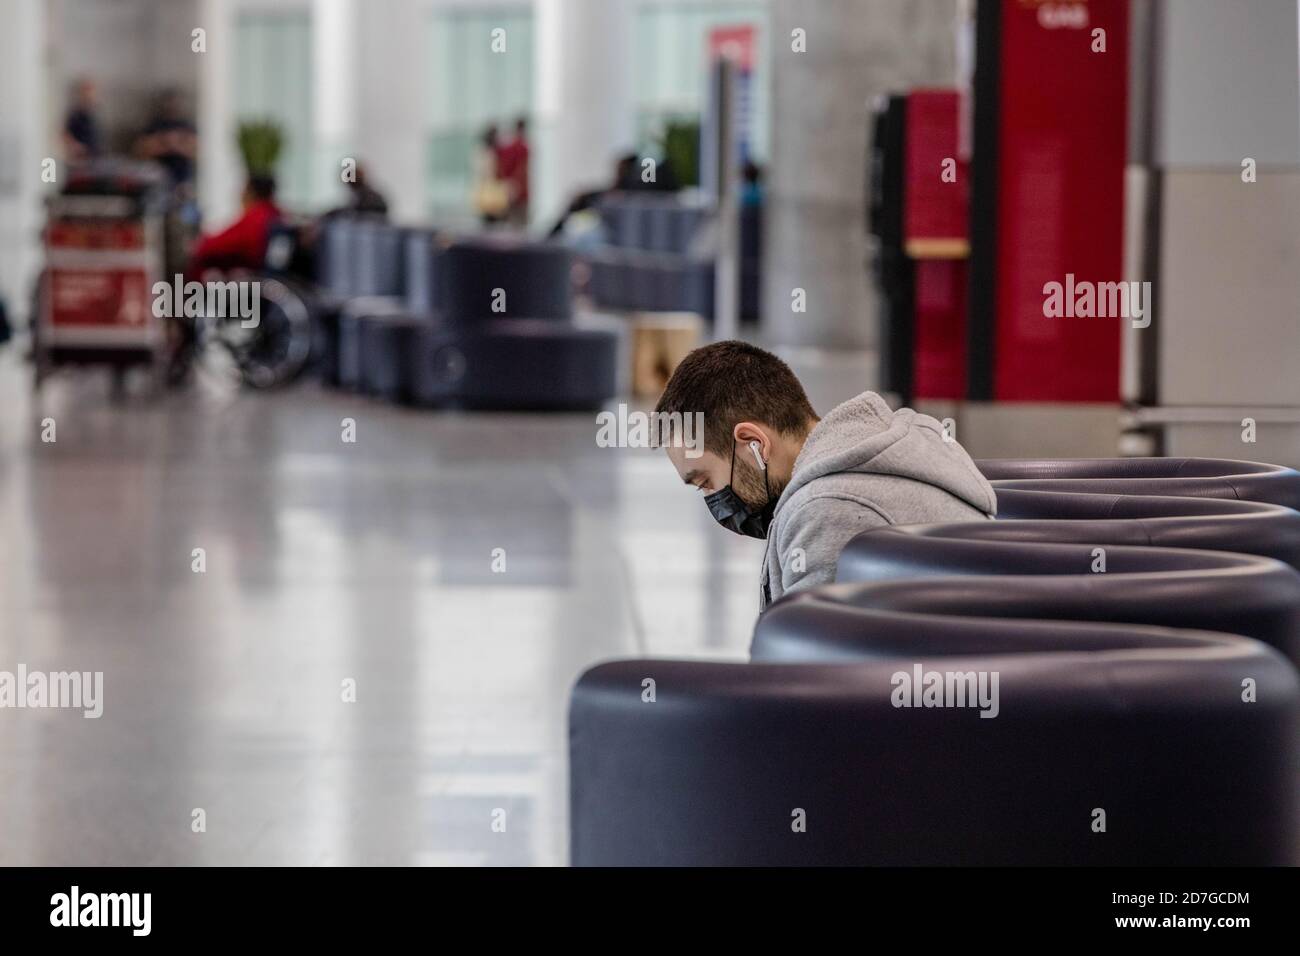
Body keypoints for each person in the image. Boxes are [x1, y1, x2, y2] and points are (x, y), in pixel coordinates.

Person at [653, 340, 997, 610]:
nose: (713, 500)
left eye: (705, 481)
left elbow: (811, 685)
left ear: (753, 443)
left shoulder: (829, 510)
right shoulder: (888, 442)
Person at [188, 175, 281, 277]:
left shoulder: (256, 217)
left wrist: (200, 245)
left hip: (248, 276)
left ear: (251, 192)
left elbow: (211, 247)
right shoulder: (274, 213)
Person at [136, 89, 197, 187]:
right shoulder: (155, 125)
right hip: (157, 171)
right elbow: (142, 149)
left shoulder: (187, 126)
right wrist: (171, 143)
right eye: (169, 102)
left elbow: (195, 149)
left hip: (183, 173)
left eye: (175, 103)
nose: (172, 106)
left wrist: (171, 144)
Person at [496, 117, 530, 226]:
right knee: (520, 222)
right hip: (519, 189)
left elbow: (502, 168)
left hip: (512, 188)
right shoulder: (521, 147)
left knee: (513, 220)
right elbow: (522, 168)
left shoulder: (509, 147)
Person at [472, 125, 508, 226]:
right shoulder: (485, 152)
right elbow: (483, 173)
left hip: (493, 189)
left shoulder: (496, 152)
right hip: (489, 190)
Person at [63, 78, 102, 161]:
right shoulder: (76, 114)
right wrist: (76, 147)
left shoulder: (94, 113)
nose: (91, 96)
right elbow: (66, 134)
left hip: (95, 158)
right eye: (87, 93)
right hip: (81, 159)